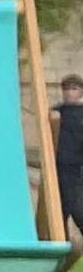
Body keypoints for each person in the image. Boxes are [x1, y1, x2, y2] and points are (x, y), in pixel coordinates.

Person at [53, 76, 83, 233]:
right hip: (58, 167)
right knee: (59, 211)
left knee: (78, 209)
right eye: (66, 89)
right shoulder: (56, 112)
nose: (69, 93)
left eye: (74, 88)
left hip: (77, 169)